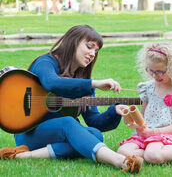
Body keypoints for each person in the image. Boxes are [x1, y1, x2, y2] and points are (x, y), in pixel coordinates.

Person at [0, 25, 143, 173]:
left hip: (55, 137)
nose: (93, 54)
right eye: (89, 47)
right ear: (72, 42)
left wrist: (114, 111)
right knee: (68, 122)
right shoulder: (46, 62)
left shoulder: (83, 81)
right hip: (29, 133)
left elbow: (95, 121)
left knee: (95, 134)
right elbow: (52, 82)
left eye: (96, 51)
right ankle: (120, 161)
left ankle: (25, 155)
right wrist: (93, 83)